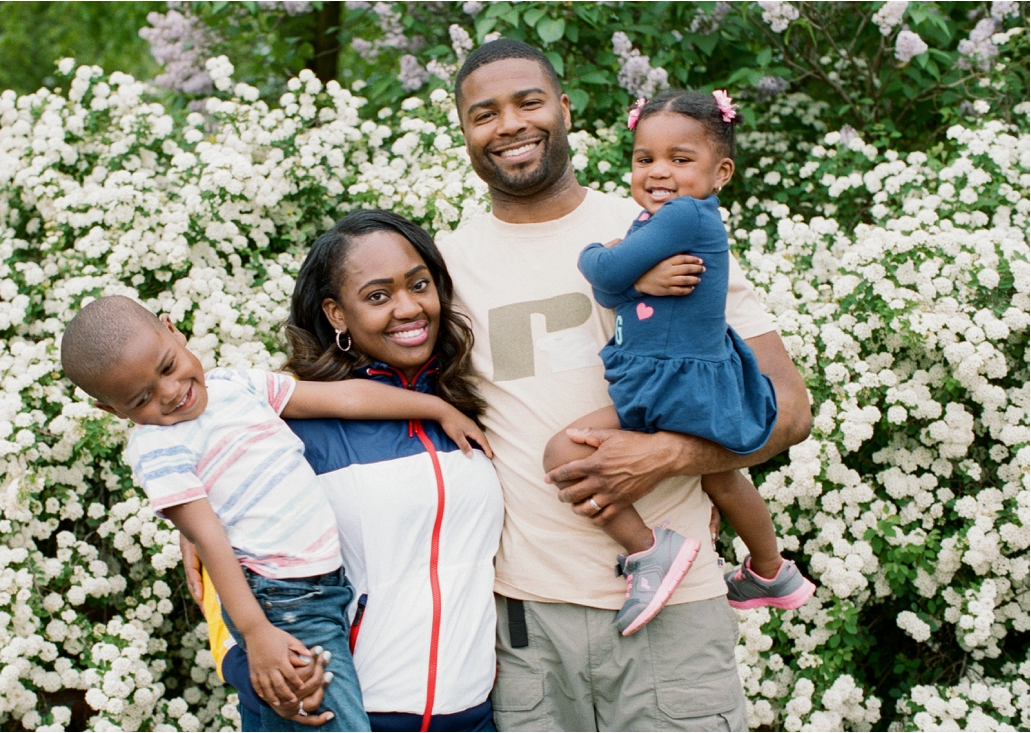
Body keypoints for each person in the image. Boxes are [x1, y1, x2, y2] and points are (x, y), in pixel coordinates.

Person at [437, 39, 813, 730]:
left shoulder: (659, 223)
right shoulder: (446, 266)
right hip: (525, 620)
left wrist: (667, 456)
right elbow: (357, 386)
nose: (510, 124)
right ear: (463, 131)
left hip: (675, 618)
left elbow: (788, 409)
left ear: (565, 109)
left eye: (529, 101)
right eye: (484, 113)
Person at [60, 294, 491, 732]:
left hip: (323, 591)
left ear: (173, 330)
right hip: (280, 602)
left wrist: (437, 408)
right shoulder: (157, 448)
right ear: (111, 410)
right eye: (142, 398)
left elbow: (344, 399)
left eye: (168, 367)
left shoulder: (236, 386)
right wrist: (256, 633)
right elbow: (209, 540)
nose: (171, 393)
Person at [185, 210, 505, 732]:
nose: (409, 308)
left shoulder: (471, 400)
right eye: (378, 296)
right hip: (343, 714)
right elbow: (222, 574)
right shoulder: (281, 432)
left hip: (469, 714)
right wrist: (262, 679)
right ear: (336, 313)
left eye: (419, 285)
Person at [544, 90, 816, 637]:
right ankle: (771, 570)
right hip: (684, 376)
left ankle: (651, 551)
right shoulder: (664, 222)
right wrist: (635, 279)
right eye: (644, 159)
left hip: (669, 380)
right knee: (721, 478)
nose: (658, 171)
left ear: (722, 172)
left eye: (680, 159)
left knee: (562, 450)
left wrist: (602, 258)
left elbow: (601, 270)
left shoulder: (684, 216)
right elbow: (617, 294)